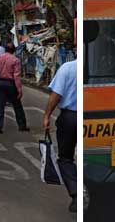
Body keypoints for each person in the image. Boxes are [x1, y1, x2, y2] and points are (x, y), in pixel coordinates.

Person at [43, 59, 77, 213]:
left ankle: (76, 192)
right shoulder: (101, 64)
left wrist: (47, 115)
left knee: (65, 158)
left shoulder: (67, 68)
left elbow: (56, 95)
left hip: (70, 118)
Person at [0, 43, 29, 134]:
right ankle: (22, 125)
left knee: (0, 106)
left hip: (1, 83)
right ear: (13, 51)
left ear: (5, 49)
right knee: (17, 105)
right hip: (11, 84)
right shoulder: (15, 60)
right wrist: (19, 90)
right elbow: (16, 76)